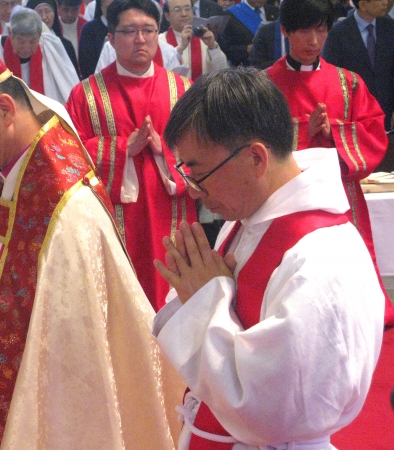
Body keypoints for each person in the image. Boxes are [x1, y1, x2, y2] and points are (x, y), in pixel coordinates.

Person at [0, 0, 184, 448]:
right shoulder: (25, 169)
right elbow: (14, 281)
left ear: (6, 109)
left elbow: (67, 334)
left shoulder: (64, 203)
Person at [152, 67, 384, 449]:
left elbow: (277, 410)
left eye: (198, 173)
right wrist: (202, 295)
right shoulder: (250, 216)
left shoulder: (322, 261)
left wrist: (206, 302)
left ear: (256, 159)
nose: (192, 191)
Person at [266, 0, 394, 325]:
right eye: (304, 31)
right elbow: (251, 144)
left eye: (321, 30)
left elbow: (374, 128)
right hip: (286, 202)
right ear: (285, 30)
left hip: (341, 199)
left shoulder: (347, 83)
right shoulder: (264, 87)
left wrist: (334, 132)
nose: (313, 41)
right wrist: (302, 136)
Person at [66, 0, 197, 311]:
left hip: (172, 218)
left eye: (148, 30)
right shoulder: (86, 95)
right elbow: (69, 157)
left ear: (158, 33)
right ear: (110, 38)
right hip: (114, 222)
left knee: (175, 307)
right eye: (129, 31)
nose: (140, 39)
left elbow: (205, 151)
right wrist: (124, 149)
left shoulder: (184, 90)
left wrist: (162, 149)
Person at [322, 0, 394, 131]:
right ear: (363, 5)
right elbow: (332, 76)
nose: (386, 2)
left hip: (387, 111)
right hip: (355, 114)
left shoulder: (390, 28)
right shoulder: (338, 33)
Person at [0, 7, 79, 103]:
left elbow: (69, 91)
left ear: (40, 35)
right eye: (21, 41)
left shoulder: (52, 48)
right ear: (10, 32)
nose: (26, 48)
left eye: (33, 41)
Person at [160, 0, 228, 79]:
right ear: (167, 16)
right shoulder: (160, 41)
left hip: (201, 90)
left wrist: (213, 47)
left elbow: (222, 72)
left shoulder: (203, 39)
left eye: (187, 9)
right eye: (177, 10)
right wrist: (180, 48)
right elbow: (159, 74)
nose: (184, 14)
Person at [217, 0, 279, 66]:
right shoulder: (229, 14)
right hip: (245, 68)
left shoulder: (275, 11)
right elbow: (224, 48)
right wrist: (246, 49)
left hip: (274, 65)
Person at [26, 0, 79, 75]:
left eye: (47, 11)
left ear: (55, 13)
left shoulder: (66, 45)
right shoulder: (26, 46)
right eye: (39, 12)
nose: (44, 17)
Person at [78, 0, 113, 78]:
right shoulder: (89, 29)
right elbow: (85, 63)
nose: (111, 11)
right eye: (107, 8)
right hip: (96, 80)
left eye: (113, 7)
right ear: (101, 7)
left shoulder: (125, 27)